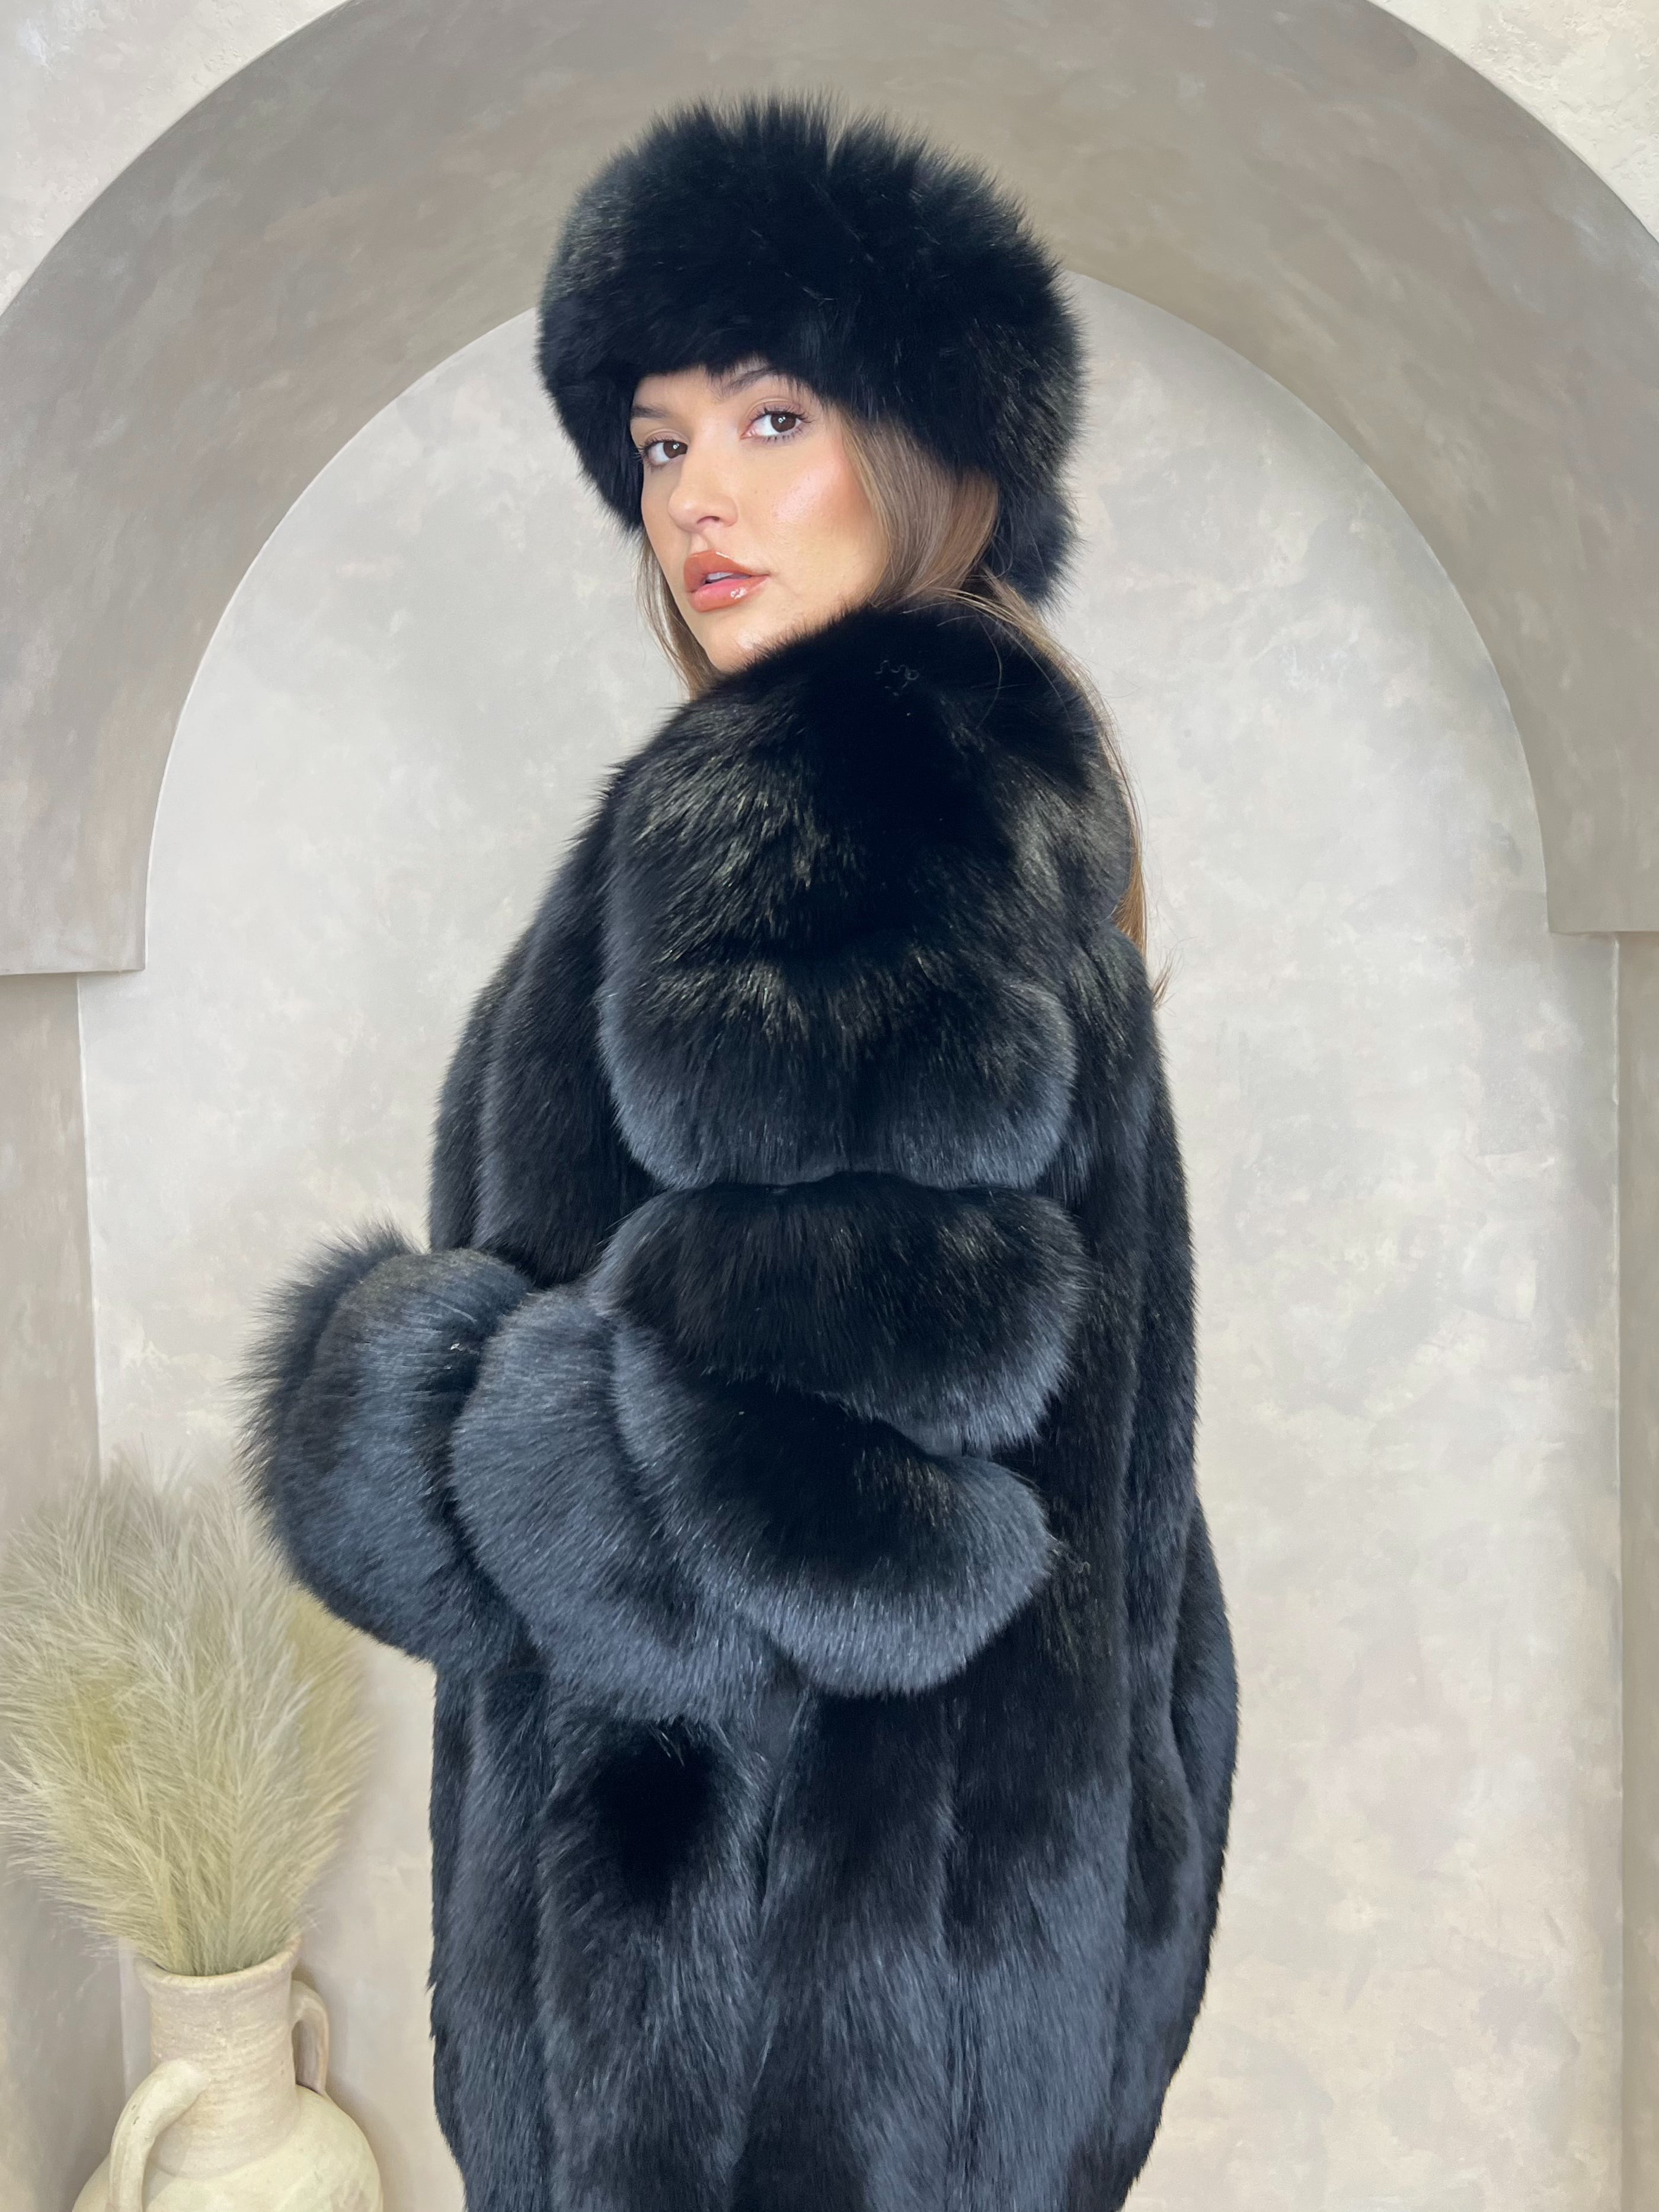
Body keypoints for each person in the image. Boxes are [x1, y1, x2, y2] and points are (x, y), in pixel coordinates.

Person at [242, 87, 1238, 2212]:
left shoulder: (824, 800)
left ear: (930, 448)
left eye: (772, 417)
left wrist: (392, 1404)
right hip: (965, 1984)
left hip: (752, 2036)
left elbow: (835, 1513)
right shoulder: (1002, 784)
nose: (696, 495)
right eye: (661, 440)